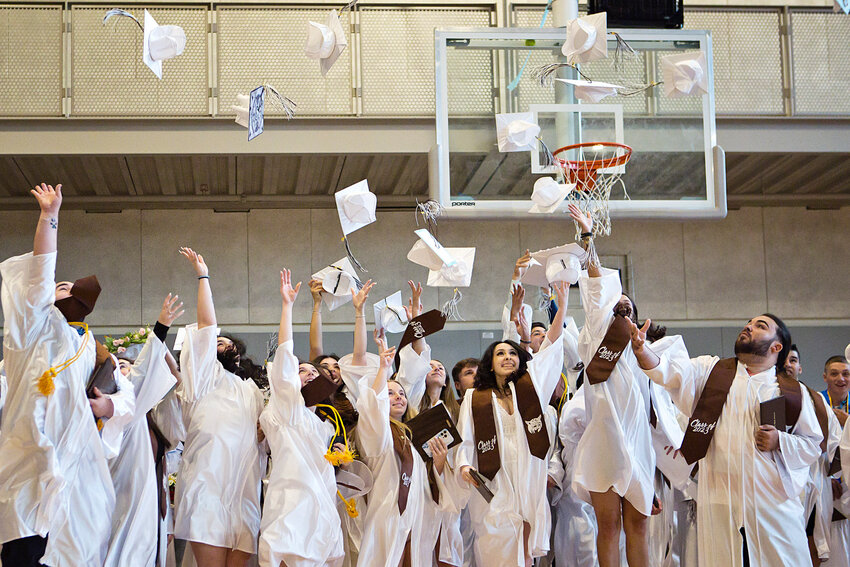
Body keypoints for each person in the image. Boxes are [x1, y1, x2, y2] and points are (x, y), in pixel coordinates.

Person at [629, 313, 823, 567]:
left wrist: (780, 442)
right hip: (720, 502)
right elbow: (669, 371)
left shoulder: (790, 392)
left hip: (772, 508)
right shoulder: (712, 371)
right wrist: (642, 350)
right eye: (749, 323)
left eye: (760, 326)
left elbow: (812, 445)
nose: (749, 326)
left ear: (777, 347)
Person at [0, 183, 115, 567]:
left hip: (72, 465)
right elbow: (39, 274)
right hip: (30, 462)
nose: (63, 287)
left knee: (72, 552)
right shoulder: (32, 326)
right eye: (60, 286)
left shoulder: (84, 342)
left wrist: (110, 404)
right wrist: (50, 215)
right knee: (25, 552)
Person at [568, 204, 677, 567]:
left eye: (628, 308)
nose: (622, 310)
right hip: (604, 442)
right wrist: (588, 239)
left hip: (640, 446)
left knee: (639, 526)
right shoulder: (594, 339)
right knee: (609, 527)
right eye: (618, 307)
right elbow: (597, 289)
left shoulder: (644, 353)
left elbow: (660, 413)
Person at [457, 281, 568, 567]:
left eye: (512, 354)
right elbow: (465, 436)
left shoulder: (530, 389)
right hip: (492, 474)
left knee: (526, 542)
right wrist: (462, 465)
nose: (507, 357)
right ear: (489, 363)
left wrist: (563, 303)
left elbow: (552, 349)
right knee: (495, 538)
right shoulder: (474, 396)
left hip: (528, 472)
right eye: (500, 354)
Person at [174, 247, 265, 567]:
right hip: (207, 484)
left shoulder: (251, 389)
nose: (217, 342)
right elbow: (207, 323)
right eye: (214, 342)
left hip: (244, 486)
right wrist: (203, 276)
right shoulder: (203, 376)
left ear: (238, 354)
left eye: (225, 342)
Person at [258, 269, 345, 567]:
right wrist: (288, 307)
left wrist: (335, 455)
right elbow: (285, 353)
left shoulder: (322, 423)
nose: (310, 374)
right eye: (302, 370)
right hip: (291, 501)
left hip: (322, 506)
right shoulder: (286, 406)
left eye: (314, 372)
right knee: (288, 553)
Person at [355, 334, 454, 566]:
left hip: (417, 511)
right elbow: (372, 406)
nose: (398, 397)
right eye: (390, 393)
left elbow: (424, 480)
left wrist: (438, 463)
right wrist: (383, 369)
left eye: (401, 394)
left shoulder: (411, 435)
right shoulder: (378, 432)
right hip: (388, 509)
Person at [104, 295, 183, 567]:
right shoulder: (119, 408)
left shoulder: (143, 413)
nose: (128, 369)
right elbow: (142, 375)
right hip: (123, 501)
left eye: (128, 365)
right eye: (120, 365)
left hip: (149, 505)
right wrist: (160, 328)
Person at [822, 355, 850, 426]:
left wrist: (848, 422)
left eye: (845, 374)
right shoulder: (816, 401)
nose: (841, 379)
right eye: (834, 374)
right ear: (825, 377)